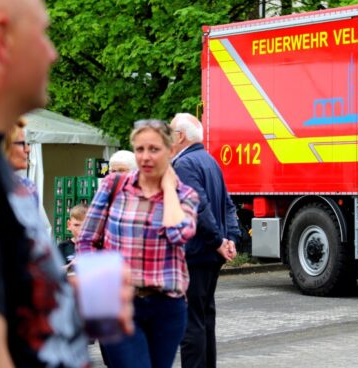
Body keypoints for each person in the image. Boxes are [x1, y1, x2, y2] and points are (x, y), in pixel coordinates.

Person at [0, 0, 128, 368]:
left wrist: (72, 301)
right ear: (2, 37)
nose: (53, 54)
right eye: (42, 32)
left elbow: (7, 310)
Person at [77, 119, 198, 368]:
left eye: (154, 149)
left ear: (171, 151)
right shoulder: (115, 185)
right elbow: (87, 239)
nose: (145, 157)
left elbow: (179, 234)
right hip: (121, 304)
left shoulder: (185, 195)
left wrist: (168, 188)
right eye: (140, 149)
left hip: (167, 307)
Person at [170, 112, 241, 368]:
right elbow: (228, 206)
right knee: (205, 318)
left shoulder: (184, 165)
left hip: (196, 253)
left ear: (179, 136)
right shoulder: (210, 161)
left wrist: (219, 241)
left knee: (191, 324)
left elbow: (198, 207)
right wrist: (229, 238)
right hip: (210, 253)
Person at [2, 115, 53, 236]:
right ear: (3, 146)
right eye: (22, 143)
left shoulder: (27, 187)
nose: (28, 149)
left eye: (28, 144)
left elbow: (35, 238)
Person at [58, 204, 89, 273]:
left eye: (85, 225)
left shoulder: (97, 247)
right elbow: (55, 272)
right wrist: (70, 266)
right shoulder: (63, 247)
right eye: (76, 225)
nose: (81, 229)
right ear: (69, 225)